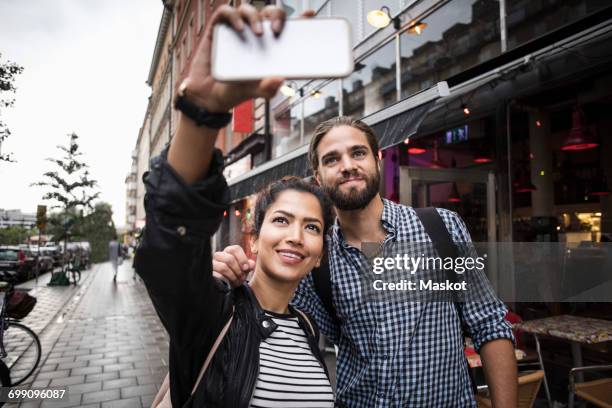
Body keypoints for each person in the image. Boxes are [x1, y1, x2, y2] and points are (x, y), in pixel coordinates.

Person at [214, 119, 519, 406]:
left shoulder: (441, 229)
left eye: (357, 153)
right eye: (332, 159)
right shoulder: (315, 261)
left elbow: (489, 325)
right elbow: (264, 309)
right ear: (319, 177)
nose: (347, 166)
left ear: (377, 159)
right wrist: (233, 273)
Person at [134, 4, 337, 407]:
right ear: (255, 239)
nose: (296, 236)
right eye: (282, 220)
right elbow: (167, 248)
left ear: (318, 256)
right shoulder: (212, 314)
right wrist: (202, 114)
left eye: (312, 227)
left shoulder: (309, 329)